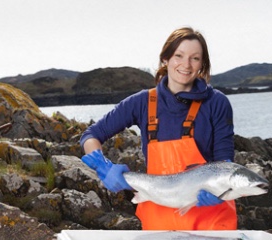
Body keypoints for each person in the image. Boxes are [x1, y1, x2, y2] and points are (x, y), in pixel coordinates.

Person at [80, 27, 237, 230]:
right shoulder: (141, 103)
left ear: (202, 64)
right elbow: (91, 135)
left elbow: (225, 160)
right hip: (159, 224)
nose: (186, 65)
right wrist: (102, 165)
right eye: (178, 55)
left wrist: (221, 190)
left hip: (212, 222)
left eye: (195, 58)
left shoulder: (217, 103)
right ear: (165, 59)